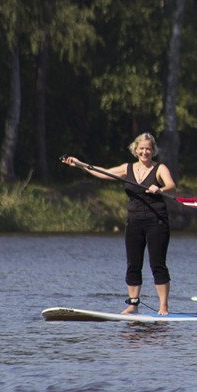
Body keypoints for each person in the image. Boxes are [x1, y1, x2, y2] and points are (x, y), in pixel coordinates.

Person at [63, 133, 176, 315]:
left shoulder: (160, 168)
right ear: (135, 149)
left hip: (157, 221)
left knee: (157, 264)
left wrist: (160, 188)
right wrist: (79, 164)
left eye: (148, 149)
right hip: (134, 222)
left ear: (153, 150)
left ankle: (163, 306)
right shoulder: (127, 168)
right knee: (133, 263)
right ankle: (133, 304)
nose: (145, 152)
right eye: (142, 148)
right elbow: (102, 172)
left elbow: (171, 185)